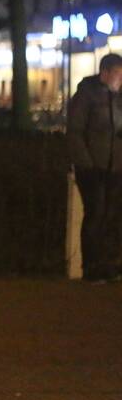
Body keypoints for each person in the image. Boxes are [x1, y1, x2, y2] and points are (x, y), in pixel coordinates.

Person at [67, 52, 122, 283]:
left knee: (109, 215)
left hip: (114, 166)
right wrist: (86, 164)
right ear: (105, 73)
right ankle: (91, 266)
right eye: (118, 74)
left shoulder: (116, 98)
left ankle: (106, 264)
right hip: (92, 167)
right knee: (96, 213)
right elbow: (76, 131)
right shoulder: (86, 96)